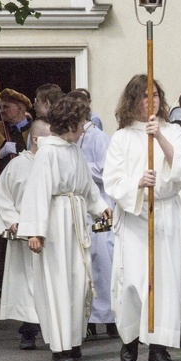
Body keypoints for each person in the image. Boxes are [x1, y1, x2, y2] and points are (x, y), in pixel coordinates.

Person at [104, 75, 181, 361]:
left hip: (165, 213)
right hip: (135, 215)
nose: (151, 100)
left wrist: (160, 137)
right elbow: (112, 181)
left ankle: (159, 347)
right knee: (133, 282)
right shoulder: (122, 137)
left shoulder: (173, 131)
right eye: (144, 96)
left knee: (164, 283)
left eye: (155, 95)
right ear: (132, 100)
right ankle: (129, 338)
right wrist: (138, 182)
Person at [18, 96, 111, 361]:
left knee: (78, 281)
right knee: (58, 282)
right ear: (70, 124)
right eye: (81, 123)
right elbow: (36, 192)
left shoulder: (73, 150)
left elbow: (87, 187)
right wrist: (35, 231)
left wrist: (101, 207)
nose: (84, 128)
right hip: (56, 223)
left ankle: (74, 339)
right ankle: (60, 345)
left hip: (75, 219)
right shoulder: (48, 152)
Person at [0, 118, 52, 350]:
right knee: (27, 283)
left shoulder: (52, 164)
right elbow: (3, 193)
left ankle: (53, 330)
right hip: (22, 236)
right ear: (37, 139)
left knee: (48, 283)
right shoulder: (17, 165)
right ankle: (28, 330)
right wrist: (12, 221)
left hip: (49, 235)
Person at [66, 91, 118, 339]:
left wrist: (83, 168)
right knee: (83, 262)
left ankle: (108, 316)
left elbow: (108, 172)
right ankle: (87, 316)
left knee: (102, 260)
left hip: (99, 208)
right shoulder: (70, 137)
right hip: (79, 209)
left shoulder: (98, 137)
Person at [0, 88, 33, 289]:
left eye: (6, 107)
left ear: (20, 108)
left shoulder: (34, 129)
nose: (1, 111)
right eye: (0, 106)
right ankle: (4, 285)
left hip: (26, 195)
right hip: (1, 194)